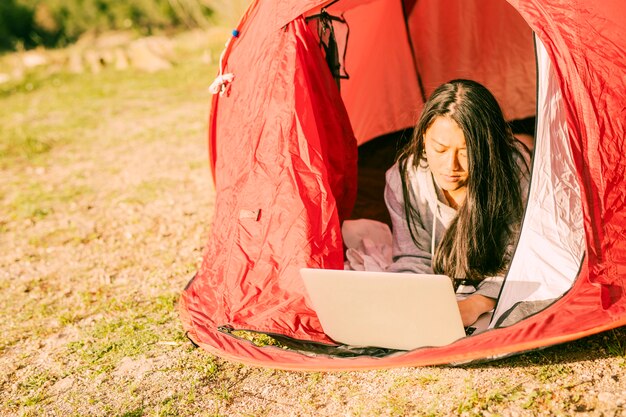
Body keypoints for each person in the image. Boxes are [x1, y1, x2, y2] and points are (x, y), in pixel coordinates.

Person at [384, 79, 530, 328]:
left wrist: (477, 303)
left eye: (466, 152)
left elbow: (522, 256)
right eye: (439, 149)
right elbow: (412, 255)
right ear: (422, 139)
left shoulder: (516, 172)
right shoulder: (405, 179)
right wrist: (406, 298)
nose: (451, 167)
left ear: (489, 148)